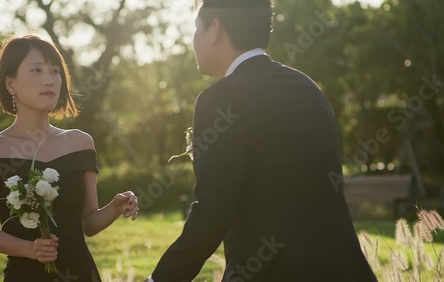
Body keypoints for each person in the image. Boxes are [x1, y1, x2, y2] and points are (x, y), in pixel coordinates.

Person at [146, 0, 377, 281]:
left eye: (196, 27)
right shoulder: (307, 88)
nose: (193, 39)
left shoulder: (219, 100)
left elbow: (212, 213)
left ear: (215, 28)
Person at [0, 34, 139, 282]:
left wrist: (114, 207)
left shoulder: (80, 143)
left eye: (55, 72)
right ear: (10, 84)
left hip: (81, 273)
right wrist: (30, 249)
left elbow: (89, 224)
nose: (49, 80)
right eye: (36, 70)